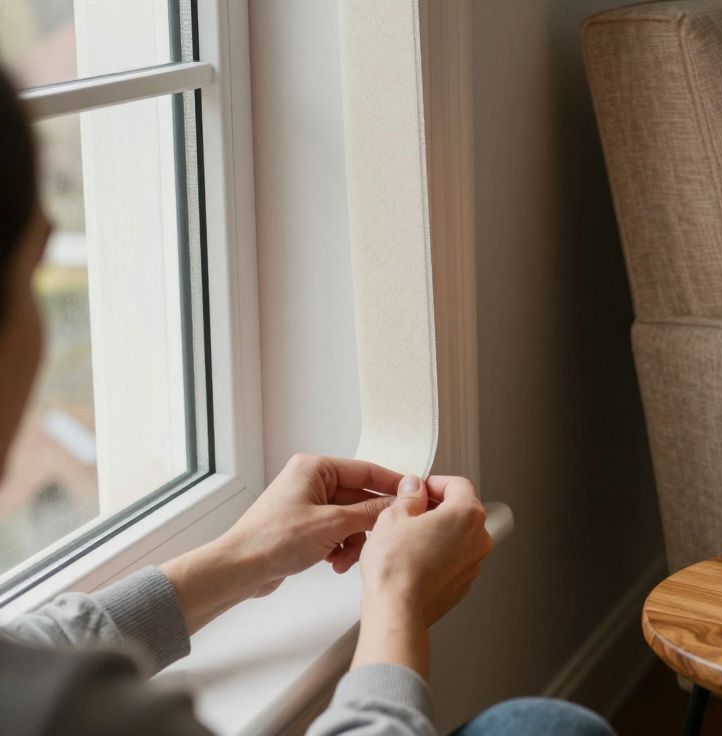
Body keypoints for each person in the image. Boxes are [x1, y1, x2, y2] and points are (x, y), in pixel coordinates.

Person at [0, 67, 614, 736]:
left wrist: (244, 557)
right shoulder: (80, 714)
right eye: (34, 269)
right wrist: (398, 599)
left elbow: (26, 647)